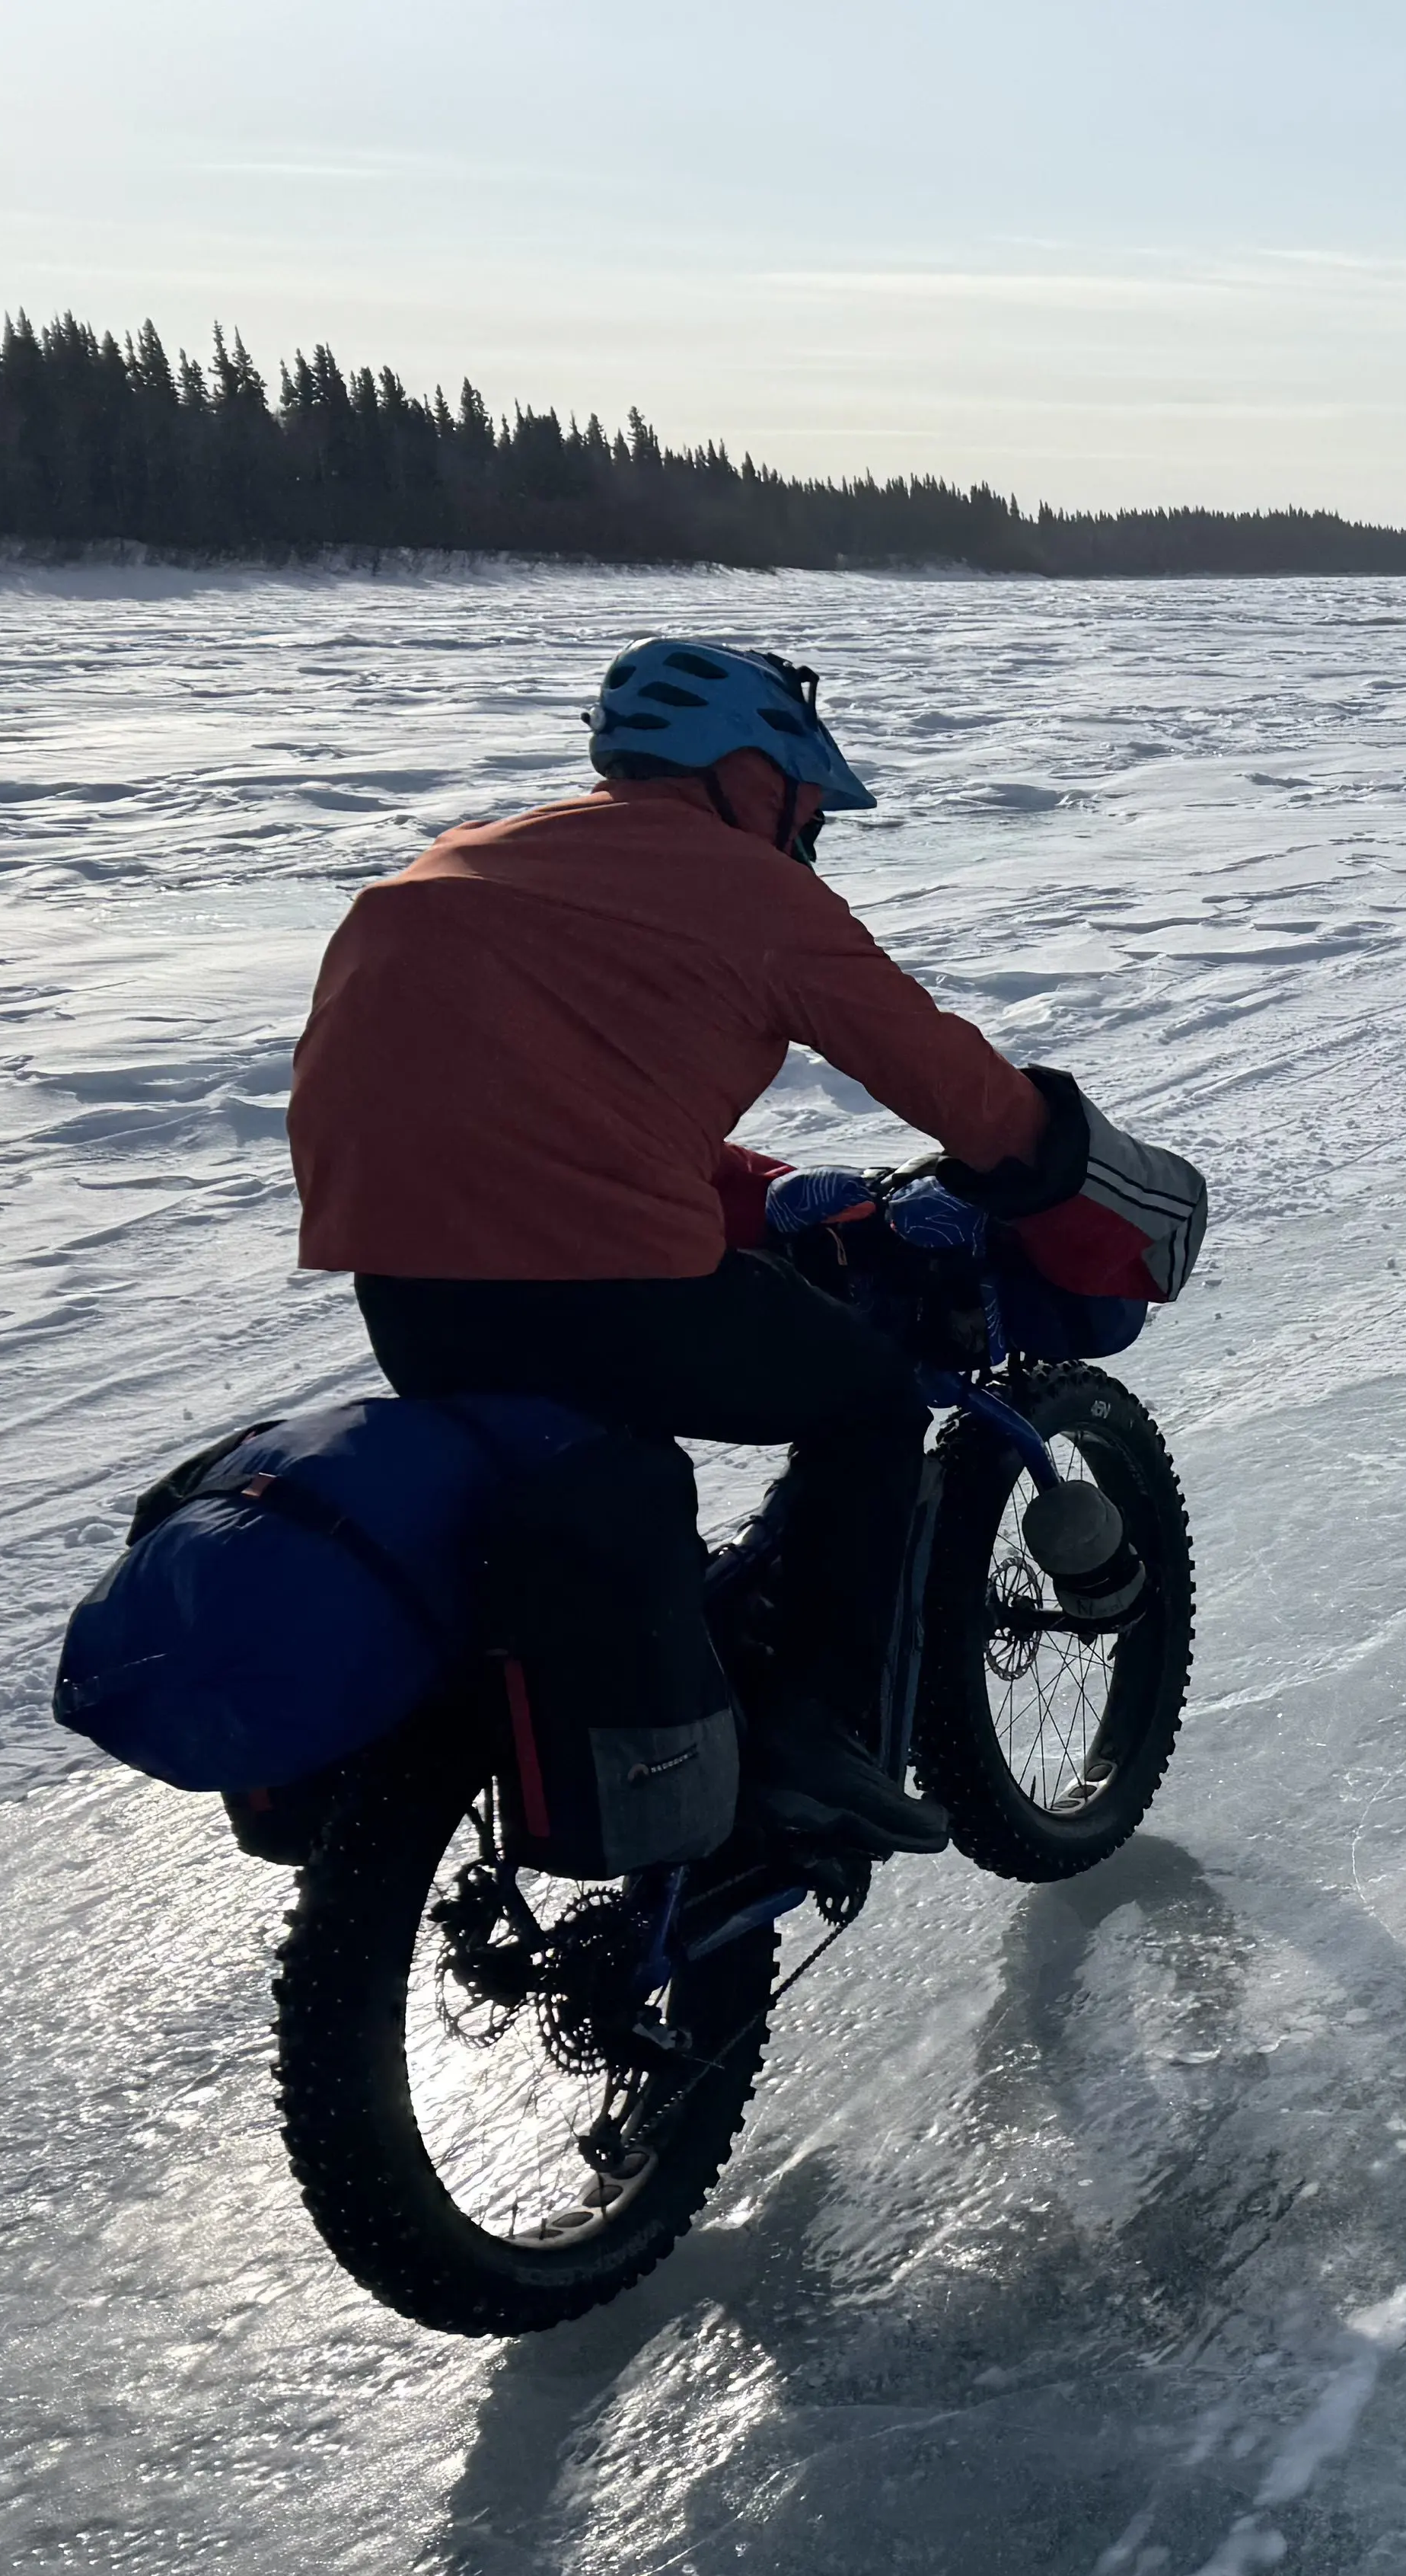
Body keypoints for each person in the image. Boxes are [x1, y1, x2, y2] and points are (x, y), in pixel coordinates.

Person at [287, 639, 1107, 1859]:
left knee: (587, 1460)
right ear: (741, 774)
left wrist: (751, 1191)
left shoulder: (451, 869)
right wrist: (1049, 1150)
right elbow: (945, 1077)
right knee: (865, 1401)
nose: (816, 814)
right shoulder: (749, 891)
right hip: (610, 1293)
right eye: (805, 787)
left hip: (407, 1294)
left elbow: (526, 1110)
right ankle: (815, 1733)